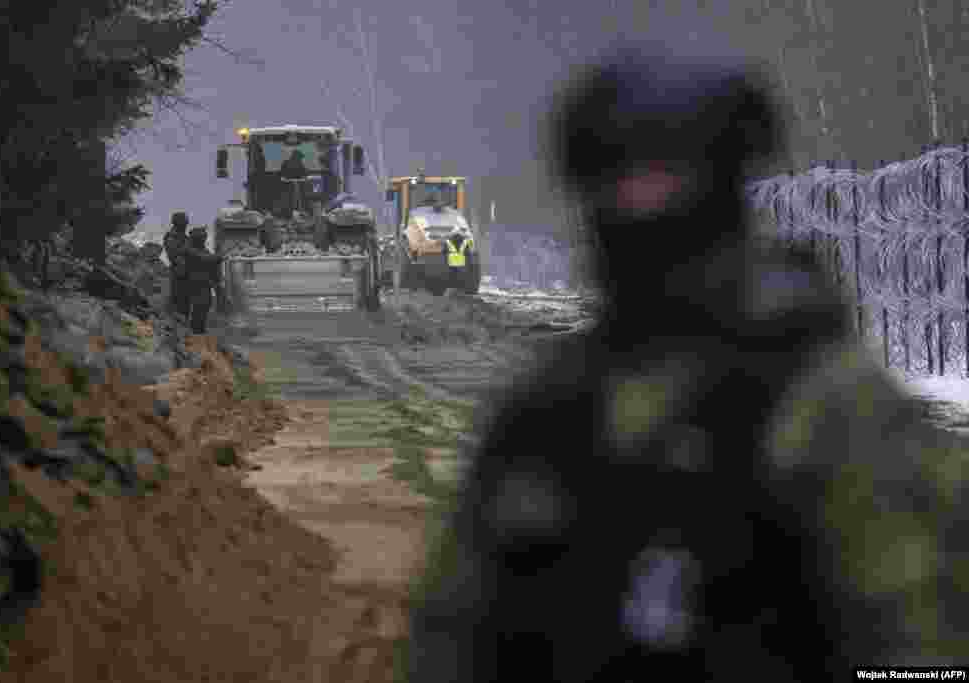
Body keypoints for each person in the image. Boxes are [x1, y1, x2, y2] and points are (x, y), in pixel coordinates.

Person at [405, 37, 969, 683]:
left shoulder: (832, 411)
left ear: (724, 185)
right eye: (619, 182)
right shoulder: (549, 410)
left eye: (665, 182)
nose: (641, 210)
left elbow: (923, 648)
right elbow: (455, 635)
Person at [182, 227, 222, 334]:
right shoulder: (189, 249)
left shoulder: (202, 249)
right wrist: (219, 256)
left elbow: (211, 263)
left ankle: (200, 331)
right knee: (198, 309)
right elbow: (205, 259)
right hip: (195, 285)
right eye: (202, 237)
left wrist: (216, 282)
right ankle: (196, 332)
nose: (204, 239)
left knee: (205, 307)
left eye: (204, 237)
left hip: (205, 284)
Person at [162, 211, 190, 318]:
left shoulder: (184, 237)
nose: (186, 225)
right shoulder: (171, 237)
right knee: (179, 302)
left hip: (185, 273)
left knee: (185, 303)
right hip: (179, 273)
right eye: (184, 222)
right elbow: (174, 255)